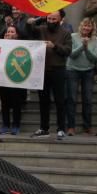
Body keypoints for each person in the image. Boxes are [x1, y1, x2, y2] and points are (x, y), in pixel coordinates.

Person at [27, 11, 71, 141]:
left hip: (58, 70)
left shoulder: (66, 33)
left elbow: (68, 51)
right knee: (43, 100)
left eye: (54, 19)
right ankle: (44, 128)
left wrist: (55, 46)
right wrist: (32, 22)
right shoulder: (42, 29)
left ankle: (61, 128)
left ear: (60, 19)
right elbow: (29, 30)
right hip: (43, 70)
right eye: (49, 18)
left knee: (60, 101)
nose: (51, 21)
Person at [65, 17, 97, 136]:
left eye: (89, 26)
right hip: (72, 70)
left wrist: (86, 48)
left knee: (88, 100)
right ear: (81, 26)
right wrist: (82, 46)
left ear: (92, 28)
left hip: (88, 71)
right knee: (72, 99)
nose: (86, 28)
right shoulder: (73, 36)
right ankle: (70, 127)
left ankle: (87, 127)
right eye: (84, 25)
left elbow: (95, 58)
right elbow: (72, 54)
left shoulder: (95, 39)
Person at [0, 25, 27, 135]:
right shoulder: (0, 45)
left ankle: (16, 125)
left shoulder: (22, 45)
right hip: (3, 77)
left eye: (12, 31)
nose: (9, 33)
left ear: (17, 34)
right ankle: (5, 125)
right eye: (8, 31)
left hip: (16, 78)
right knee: (4, 102)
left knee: (16, 103)